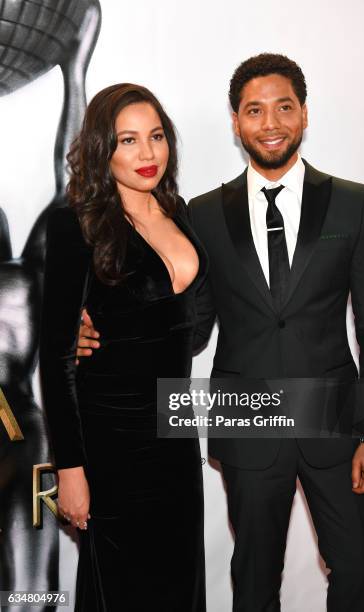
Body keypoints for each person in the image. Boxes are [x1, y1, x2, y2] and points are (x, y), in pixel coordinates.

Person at [77, 55, 364, 611]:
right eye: (255, 110)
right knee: (253, 580)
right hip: (244, 416)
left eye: (283, 107)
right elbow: (188, 324)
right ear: (235, 121)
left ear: (303, 114)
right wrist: (87, 330)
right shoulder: (198, 215)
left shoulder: (354, 202)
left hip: (334, 421)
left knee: (357, 569)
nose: (270, 122)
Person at [39, 83, 207, 612]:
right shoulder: (76, 224)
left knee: (181, 586)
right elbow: (56, 356)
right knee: (123, 593)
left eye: (156, 137)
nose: (147, 153)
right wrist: (70, 470)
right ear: (100, 149)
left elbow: (185, 321)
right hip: (113, 445)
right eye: (128, 140)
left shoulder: (176, 210)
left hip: (176, 440)